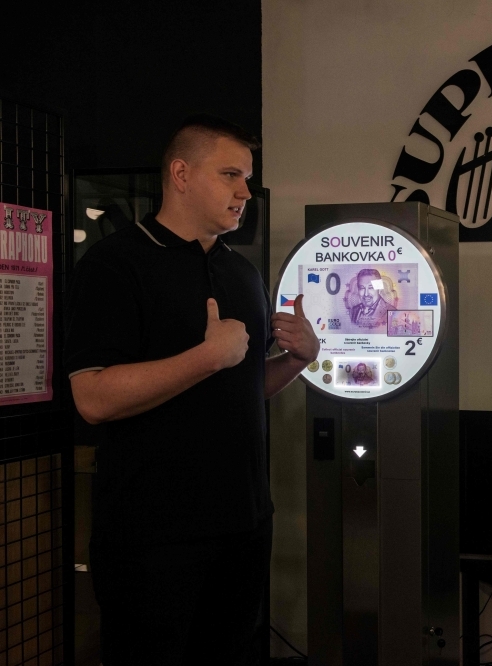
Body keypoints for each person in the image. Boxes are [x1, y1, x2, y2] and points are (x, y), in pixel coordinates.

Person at [65, 115, 320, 665]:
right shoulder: (114, 265)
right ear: (180, 174)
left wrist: (298, 361)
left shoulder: (241, 273)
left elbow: (243, 389)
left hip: (243, 525)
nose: (244, 192)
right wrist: (204, 358)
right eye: (230, 174)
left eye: (247, 178)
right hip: (152, 538)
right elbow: (93, 397)